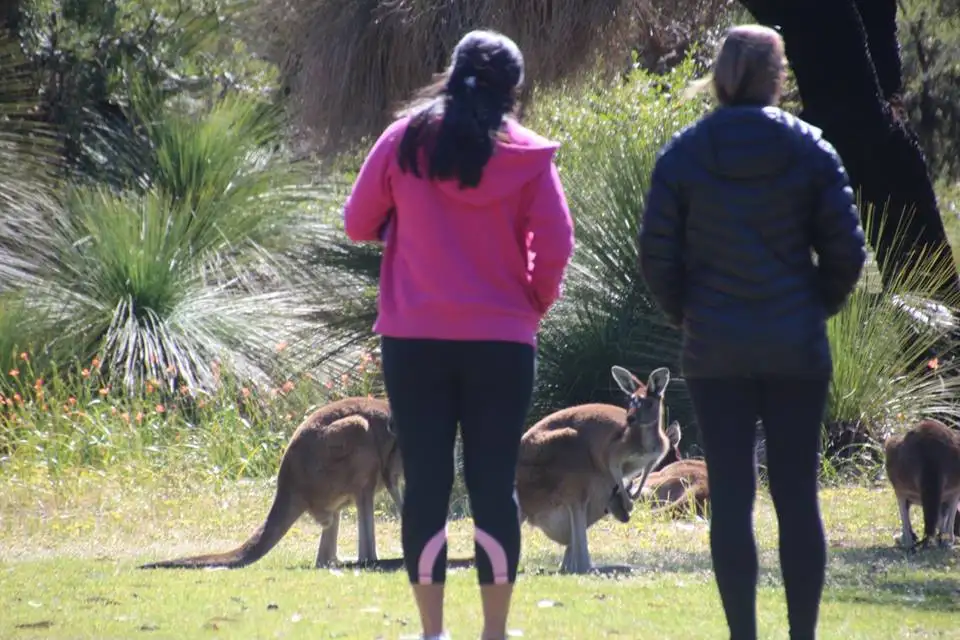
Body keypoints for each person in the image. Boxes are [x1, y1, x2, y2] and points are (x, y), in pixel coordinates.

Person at [343, 29, 575, 640]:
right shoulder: (527, 154)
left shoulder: (403, 142)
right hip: (502, 345)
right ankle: (494, 633)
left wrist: (404, 228)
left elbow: (356, 221)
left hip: (414, 342)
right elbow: (556, 243)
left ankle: (432, 633)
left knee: (425, 484)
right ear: (515, 89)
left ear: (450, 73)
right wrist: (532, 301)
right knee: (494, 484)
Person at [638, 24, 867, 640]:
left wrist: (691, 313)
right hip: (795, 348)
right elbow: (846, 253)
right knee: (797, 498)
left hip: (715, 350)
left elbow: (657, 258)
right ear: (778, 76)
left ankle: (743, 634)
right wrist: (811, 306)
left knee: (733, 501)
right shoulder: (811, 150)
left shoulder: (685, 154)